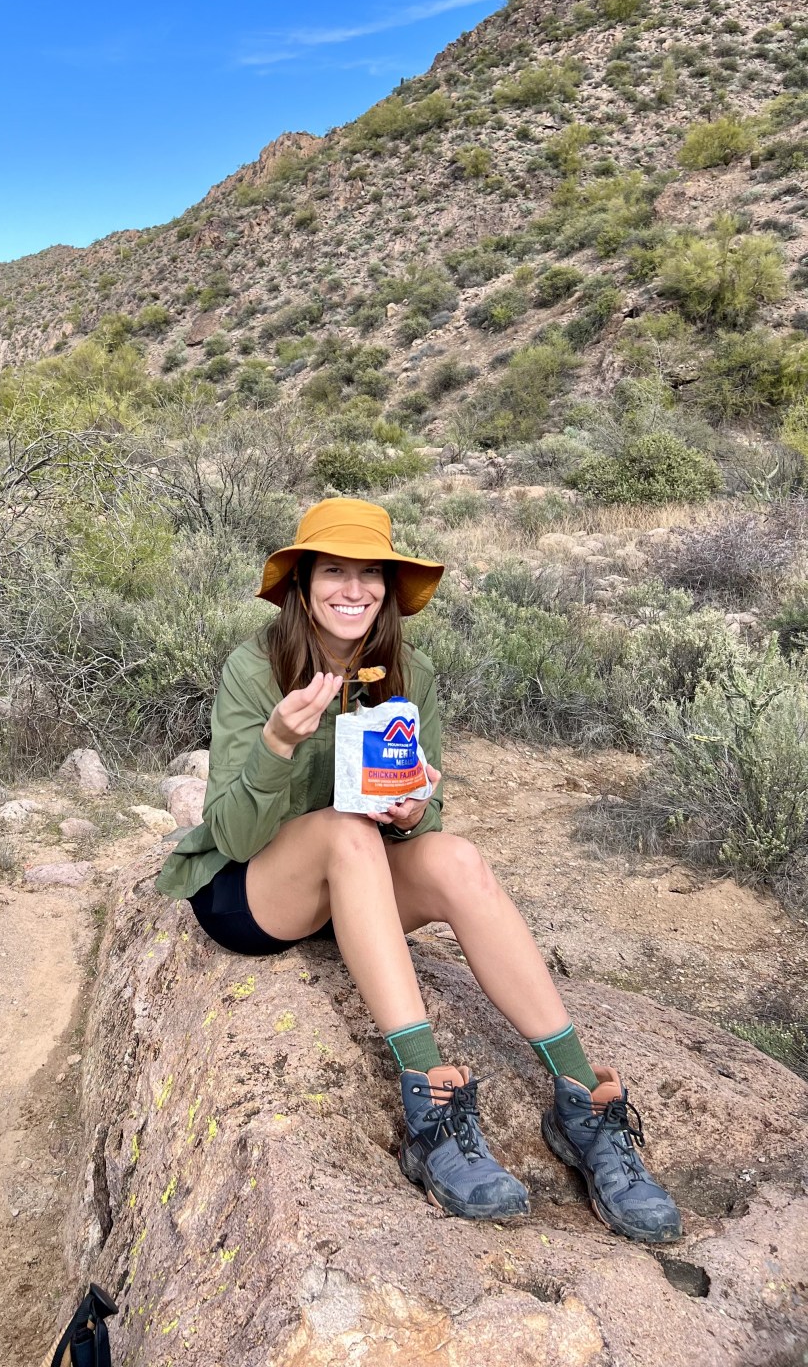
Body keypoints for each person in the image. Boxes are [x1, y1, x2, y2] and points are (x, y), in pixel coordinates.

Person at [156, 497, 681, 1242]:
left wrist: (413, 814)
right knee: (344, 835)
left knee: (457, 857)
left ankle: (583, 1101)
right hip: (256, 893)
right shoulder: (256, 667)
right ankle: (432, 1108)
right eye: (333, 571)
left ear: (389, 589)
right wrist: (277, 743)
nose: (354, 589)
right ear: (302, 584)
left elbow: (422, 822)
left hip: (360, 883)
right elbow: (234, 835)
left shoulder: (409, 671)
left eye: (371, 574)